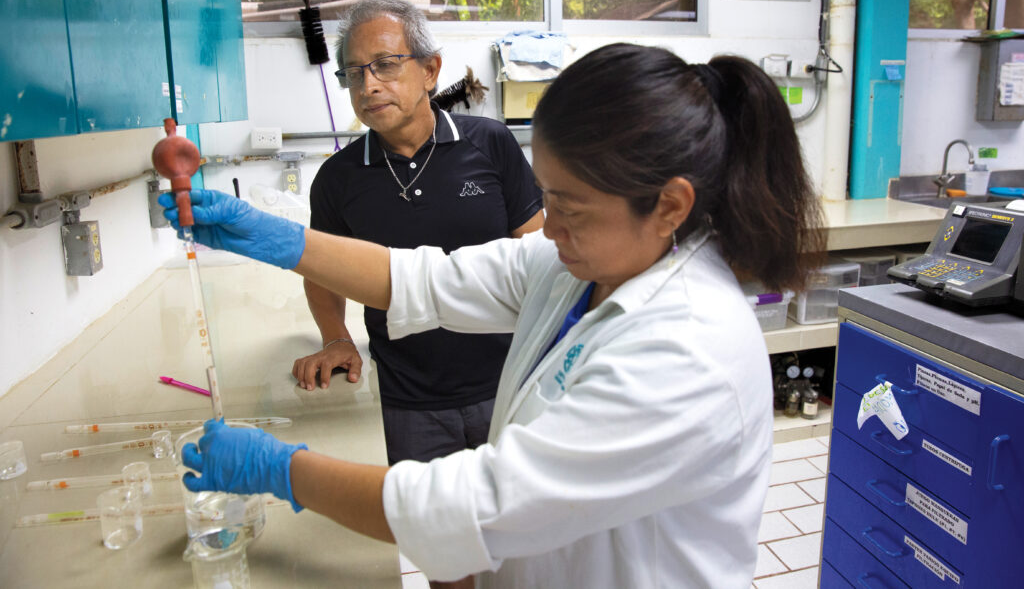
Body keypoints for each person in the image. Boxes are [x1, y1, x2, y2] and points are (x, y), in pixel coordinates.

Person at [162, 43, 826, 588]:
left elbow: (478, 502)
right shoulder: (584, 266)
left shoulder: (689, 347)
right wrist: (270, 236)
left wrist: (282, 469)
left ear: (671, 205)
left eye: (572, 205)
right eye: (548, 195)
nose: (551, 225)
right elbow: (427, 276)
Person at [295, 0, 544, 473]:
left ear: (430, 70)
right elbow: (322, 272)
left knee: (517, 527)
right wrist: (335, 339)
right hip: (408, 399)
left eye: (386, 65)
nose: (368, 85)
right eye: (353, 73)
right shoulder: (337, 178)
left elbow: (537, 253)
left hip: (507, 384)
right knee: (426, 536)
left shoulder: (490, 144)